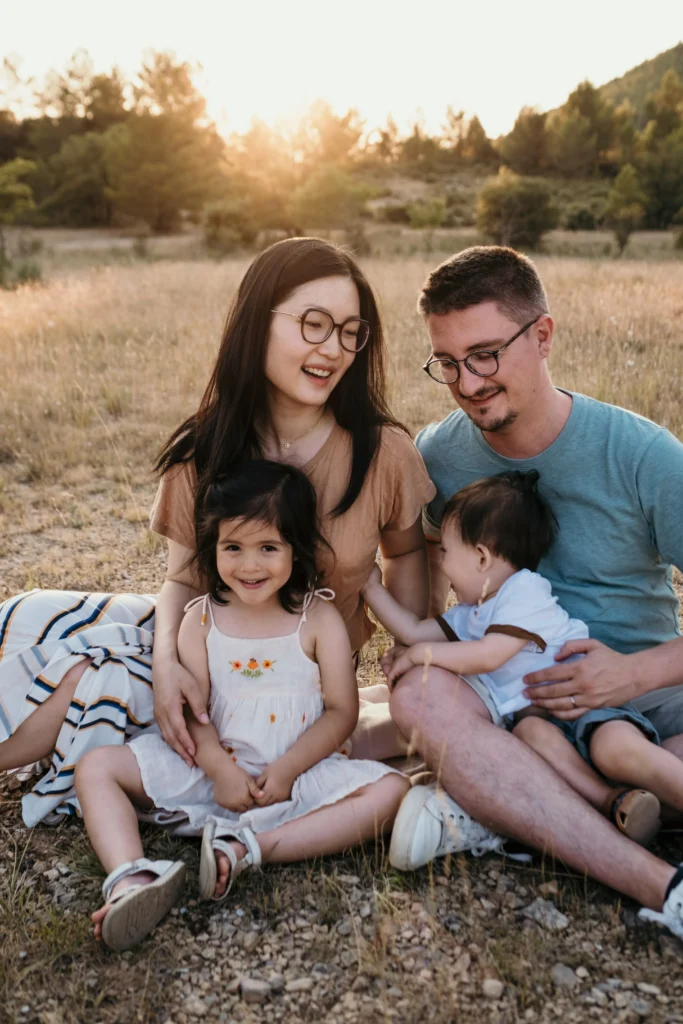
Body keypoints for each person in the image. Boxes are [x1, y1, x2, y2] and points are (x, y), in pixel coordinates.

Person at [0, 237, 434, 824]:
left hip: (280, 685)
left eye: (351, 332)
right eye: (313, 324)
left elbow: (406, 555)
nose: (333, 348)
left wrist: (410, 655)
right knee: (24, 619)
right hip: (198, 646)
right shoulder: (207, 445)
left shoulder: (382, 452)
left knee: (88, 669)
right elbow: (180, 583)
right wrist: (167, 672)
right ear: (258, 322)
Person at [384, 244, 683, 938]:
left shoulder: (643, 456)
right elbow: (430, 584)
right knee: (416, 694)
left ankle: (501, 806)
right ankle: (660, 884)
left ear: (541, 336)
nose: (467, 382)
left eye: (485, 354)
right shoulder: (440, 456)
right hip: (514, 708)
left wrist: (631, 672)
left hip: (651, 705)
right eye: (448, 364)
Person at [74, 460, 409, 951]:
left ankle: (250, 848)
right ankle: (131, 877)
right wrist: (218, 769)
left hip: (294, 778)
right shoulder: (201, 619)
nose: (249, 566)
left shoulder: (317, 620)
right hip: (212, 778)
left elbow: (342, 711)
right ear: (213, 549)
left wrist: (289, 769)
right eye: (233, 548)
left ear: (297, 550)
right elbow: (197, 712)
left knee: (392, 791)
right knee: (97, 765)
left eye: (268, 548)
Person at [363, 470, 663, 852]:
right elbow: (414, 631)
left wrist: (422, 655)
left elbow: (488, 656)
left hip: (588, 703)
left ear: (482, 557)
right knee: (529, 736)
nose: (441, 563)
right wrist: (371, 589)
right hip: (538, 716)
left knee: (618, 748)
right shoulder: (472, 613)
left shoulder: (523, 590)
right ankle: (613, 801)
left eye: (445, 552)